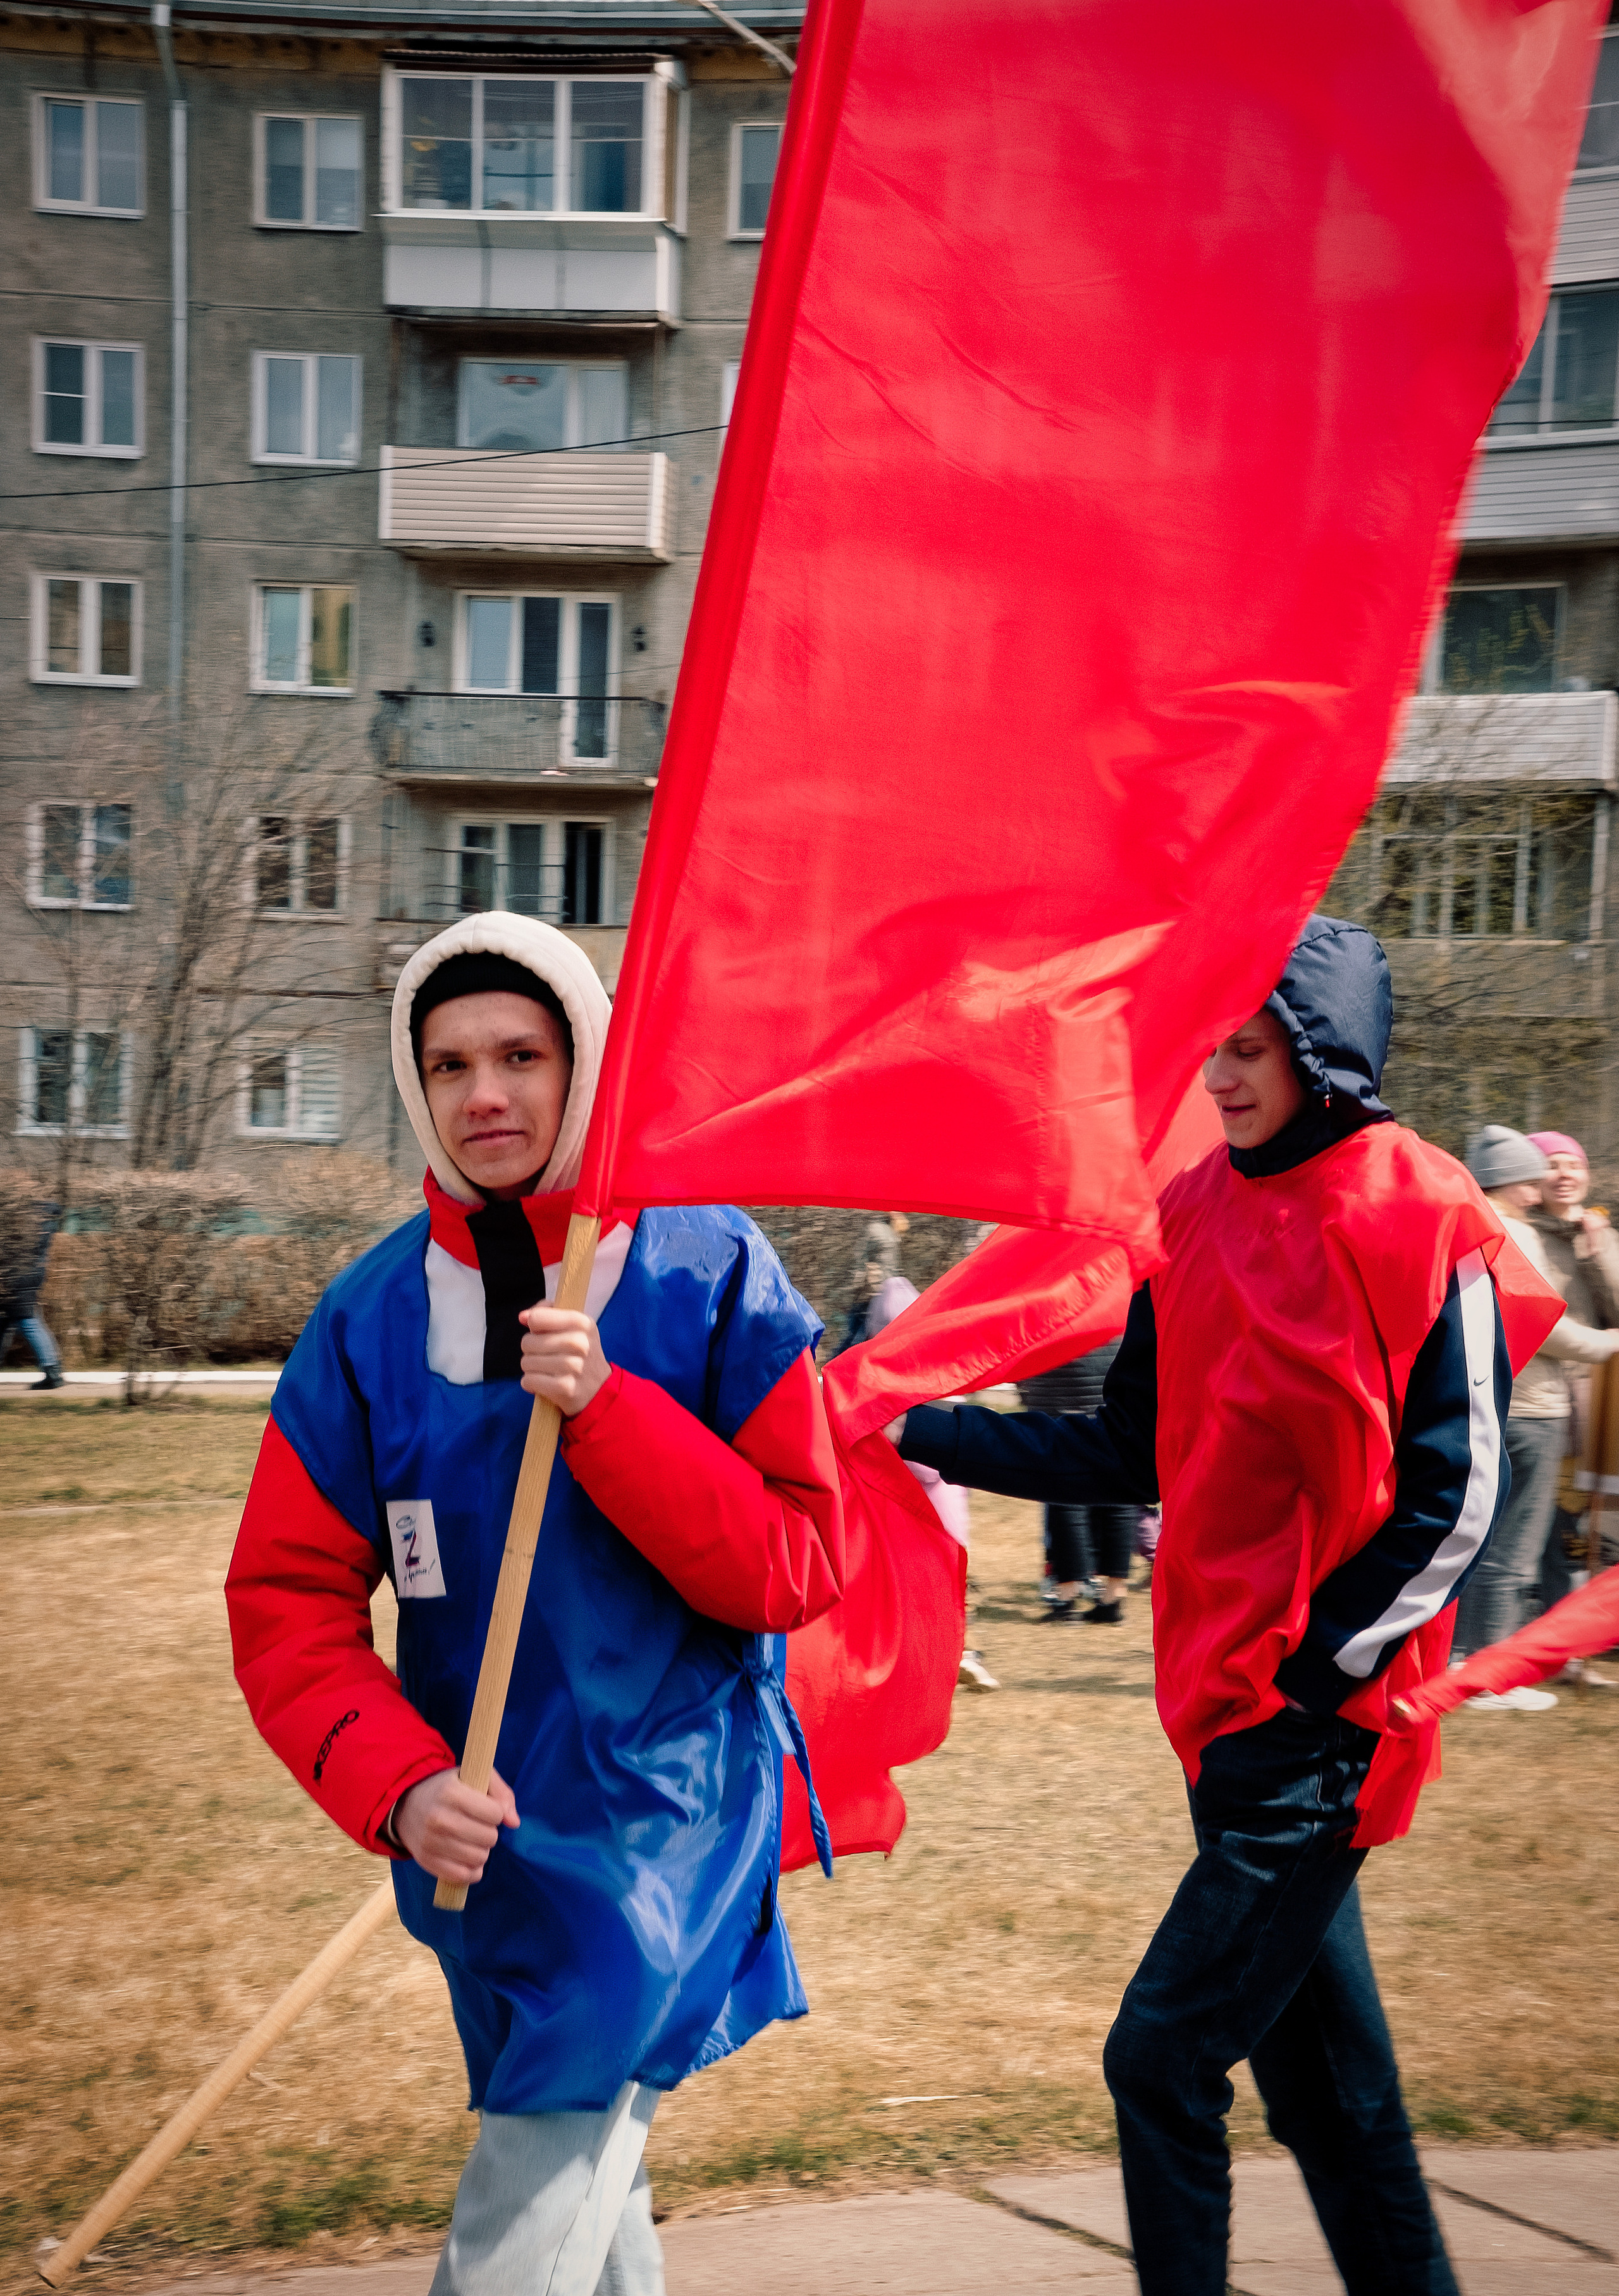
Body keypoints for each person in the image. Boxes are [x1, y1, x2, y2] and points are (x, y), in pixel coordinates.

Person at [896, 914, 1551, 2296]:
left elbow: (1460, 1493)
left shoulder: (1419, 1209)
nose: (1221, 1072)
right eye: (1211, 1044)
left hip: (1317, 1734)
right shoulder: (1187, 1212)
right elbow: (1123, 1449)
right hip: (1218, 1720)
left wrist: (1320, 1674)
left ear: (1324, 1047)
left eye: (1249, 1043)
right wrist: (916, 1428)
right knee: (1327, 2098)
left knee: (1158, 2057)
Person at [226, 914, 845, 2296]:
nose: (484, 1094)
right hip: (477, 1844)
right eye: (447, 1066)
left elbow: (795, 1563)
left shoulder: (704, 1267)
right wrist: (397, 1787)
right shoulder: (368, 1319)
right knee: (585, 2209)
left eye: (521, 1053)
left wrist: (612, 1410)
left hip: (659, 1829)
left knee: (523, 2217)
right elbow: (286, 1604)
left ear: (588, 1066)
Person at [1453, 1126, 1619, 1710]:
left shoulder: (1470, 1221)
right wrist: (1607, 1344)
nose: (1547, 1179)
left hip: (1494, 1402)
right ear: (1519, 1178)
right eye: (1537, 1169)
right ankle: (1486, 1672)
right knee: (1515, 1546)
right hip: (1531, 1406)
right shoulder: (1512, 1230)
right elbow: (1543, 1320)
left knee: (1491, 1538)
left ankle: (1468, 1656)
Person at [865, 1270, 995, 1690]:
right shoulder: (940, 1366)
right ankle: (954, 1652)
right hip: (937, 1496)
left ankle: (942, 1653)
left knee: (908, 1582)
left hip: (904, 1499)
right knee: (943, 1579)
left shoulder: (868, 1374)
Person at [1528, 1129, 1619, 1585]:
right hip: (1537, 1404)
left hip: (1597, 1409)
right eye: (1552, 1164)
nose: (1565, 1174)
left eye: (1574, 1164)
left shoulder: (1603, 1236)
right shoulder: (1522, 1236)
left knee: (1589, 1537)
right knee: (1551, 1537)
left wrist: (1595, 1252)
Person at [1020, 1343, 1134, 1621]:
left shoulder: (1056, 1301)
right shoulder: (1122, 1302)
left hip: (1066, 1401)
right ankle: (1113, 1595)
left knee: (1066, 1498)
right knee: (1119, 1498)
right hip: (1115, 1399)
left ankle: (1068, 1592)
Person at [0, 1191, 65, 1390]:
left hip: (18, 1276)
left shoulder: (22, 1216)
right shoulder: (42, 1219)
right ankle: (53, 1371)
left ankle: (53, 1372)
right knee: (10, 1320)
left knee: (27, 1321)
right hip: (30, 1274)